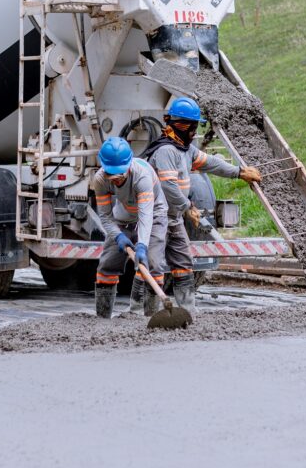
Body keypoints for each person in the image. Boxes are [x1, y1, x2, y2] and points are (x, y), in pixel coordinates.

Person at [143, 97, 262, 315]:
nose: (194, 132)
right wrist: (188, 206)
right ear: (180, 125)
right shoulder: (165, 151)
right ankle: (144, 313)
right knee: (154, 266)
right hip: (157, 218)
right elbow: (168, 186)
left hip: (174, 218)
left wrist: (239, 172)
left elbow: (209, 163)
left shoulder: (185, 150)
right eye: (192, 127)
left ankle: (187, 312)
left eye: (197, 127)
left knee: (183, 263)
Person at [91, 137, 169, 318]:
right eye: (112, 175)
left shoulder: (142, 176)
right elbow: (105, 215)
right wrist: (118, 236)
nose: (116, 180)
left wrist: (141, 245)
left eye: (120, 175)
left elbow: (145, 215)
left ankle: (152, 318)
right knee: (107, 264)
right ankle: (102, 318)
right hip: (122, 219)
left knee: (154, 263)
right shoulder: (100, 179)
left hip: (154, 215)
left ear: (128, 166)